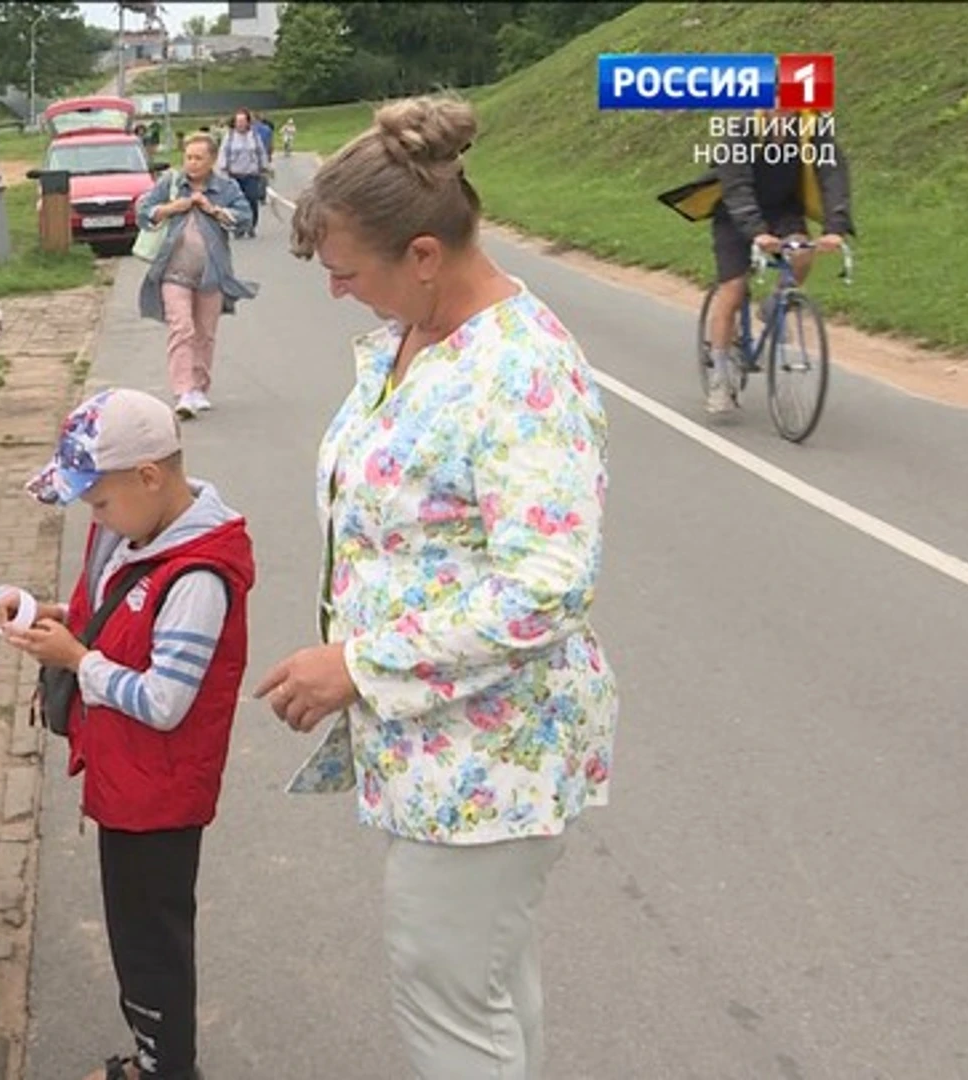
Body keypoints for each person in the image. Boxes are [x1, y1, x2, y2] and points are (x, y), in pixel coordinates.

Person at [261, 95, 617, 1080]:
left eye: (346, 273)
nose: (336, 293)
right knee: (484, 988)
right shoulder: (415, 340)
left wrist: (359, 665)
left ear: (423, 254)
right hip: (439, 748)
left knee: (450, 996)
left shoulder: (517, 373)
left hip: (493, 753)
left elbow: (546, 588)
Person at [1, 387, 256, 1080]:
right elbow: (116, 610)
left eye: (99, 501)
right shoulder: (138, 532)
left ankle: (166, 1068)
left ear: (150, 476)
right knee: (135, 936)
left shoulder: (197, 575)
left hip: (160, 795)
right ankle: (152, 1058)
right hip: (127, 779)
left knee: (152, 944)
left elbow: (165, 699)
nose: (96, 516)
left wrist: (78, 661)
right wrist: (53, 616)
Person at [702, 109, 853, 414]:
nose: (784, 107)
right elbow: (736, 187)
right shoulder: (742, 129)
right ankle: (720, 373)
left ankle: (776, 303)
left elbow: (833, 174)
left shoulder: (811, 127)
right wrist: (756, 232)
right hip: (734, 215)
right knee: (733, 287)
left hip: (782, 211)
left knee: (802, 252)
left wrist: (835, 228)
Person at [135, 133, 258, 420]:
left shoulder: (226, 187)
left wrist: (214, 210)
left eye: (198, 158)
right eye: (188, 157)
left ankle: (200, 387)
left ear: (212, 160)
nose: (191, 163)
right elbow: (144, 212)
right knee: (182, 328)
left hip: (211, 273)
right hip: (172, 271)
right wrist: (169, 208)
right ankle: (183, 392)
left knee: (205, 333)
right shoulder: (171, 183)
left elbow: (244, 218)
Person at [215, 108, 270, 239]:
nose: (240, 124)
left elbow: (260, 151)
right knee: (236, 202)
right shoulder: (229, 137)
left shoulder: (254, 136)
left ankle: (251, 225)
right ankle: (238, 227)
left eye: (243, 121)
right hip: (234, 174)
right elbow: (223, 153)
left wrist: (264, 166)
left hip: (251, 173)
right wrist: (222, 169)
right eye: (238, 121)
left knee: (251, 199)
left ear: (248, 122)